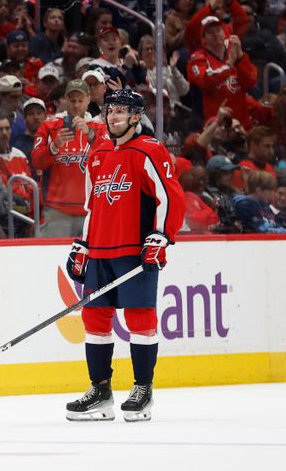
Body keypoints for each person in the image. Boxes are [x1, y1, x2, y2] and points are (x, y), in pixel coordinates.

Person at [65, 89, 185, 423]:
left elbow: (171, 198)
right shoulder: (99, 152)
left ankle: (142, 390)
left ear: (135, 117)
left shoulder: (148, 150)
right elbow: (92, 204)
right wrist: (84, 244)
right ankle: (100, 393)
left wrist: (161, 235)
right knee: (95, 320)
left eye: (121, 111)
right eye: (109, 110)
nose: (113, 116)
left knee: (140, 320)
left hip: (134, 251)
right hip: (101, 251)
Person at [32, 79, 107, 238]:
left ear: (88, 99)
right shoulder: (49, 126)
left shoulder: (100, 128)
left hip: (91, 211)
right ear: (65, 100)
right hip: (57, 212)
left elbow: (111, 162)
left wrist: (91, 135)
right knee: (53, 260)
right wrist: (55, 146)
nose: (76, 105)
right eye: (72, 100)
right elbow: (37, 162)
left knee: (91, 261)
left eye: (80, 100)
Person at [187, 16, 258, 128]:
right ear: (203, 38)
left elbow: (250, 81)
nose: (215, 34)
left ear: (224, 32)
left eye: (218, 30)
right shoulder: (197, 59)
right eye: (210, 32)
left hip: (241, 124)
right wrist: (229, 64)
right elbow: (205, 82)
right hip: (215, 128)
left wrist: (240, 58)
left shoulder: (235, 53)